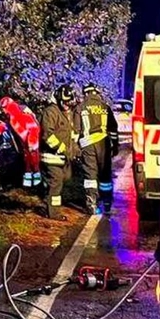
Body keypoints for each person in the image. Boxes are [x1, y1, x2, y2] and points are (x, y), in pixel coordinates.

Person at [75, 82, 119, 214]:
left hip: (88, 145)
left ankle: (91, 203)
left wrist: (75, 149)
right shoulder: (105, 107)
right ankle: (107, 203)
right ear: (97, 93)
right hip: (104, 145)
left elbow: (76, 131)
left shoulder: (81, 107)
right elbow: (113, 130)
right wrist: (115, 146)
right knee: (105, 175)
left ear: (86, 94)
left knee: (90, 175)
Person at [37, 84, 79, 218]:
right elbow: (47, 136)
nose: (67, 105)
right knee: (56, 183)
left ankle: (47, 199)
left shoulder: (67, 113)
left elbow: (71, 135)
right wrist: (62, 149)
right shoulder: (51, 112)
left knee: (65, 179)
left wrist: (75, 150)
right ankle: (53, 213)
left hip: (63, 158)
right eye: (65, 102)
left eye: (69, 102)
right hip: (51, 157)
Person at [0, 96, 42, 189]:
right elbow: (6, 128)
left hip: (31, 146)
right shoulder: (11, 118)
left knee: (33, 160)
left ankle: (37, 182)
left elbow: (33, 128)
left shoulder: (23, 115)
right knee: (27, 162)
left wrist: (31, 143)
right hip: (23, 147)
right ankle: (29, 182)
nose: (2, 112)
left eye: (3, 109)